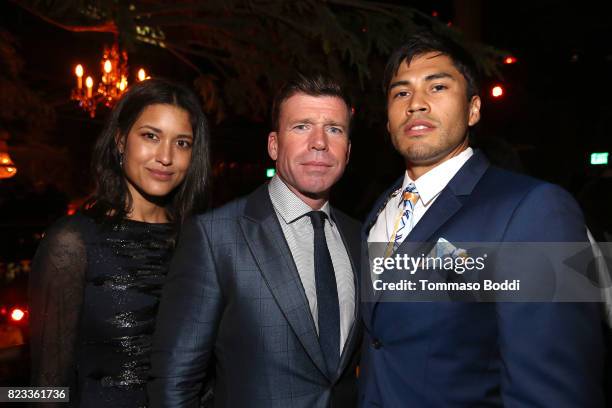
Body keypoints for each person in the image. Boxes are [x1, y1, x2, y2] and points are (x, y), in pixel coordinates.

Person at [359, 31, 605, 407]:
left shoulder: (537, 209)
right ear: (389, 119)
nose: (416, 104)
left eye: (437, 86)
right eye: (401, 93)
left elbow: (555, 391)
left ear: (474, 108)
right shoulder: (380, 210)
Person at [148, 74, 362, 408]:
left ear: (347, 151)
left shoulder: (359, 236)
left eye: (334, 129)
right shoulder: (216, 236)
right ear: (274, 145)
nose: (319, 142)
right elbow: (175, 385)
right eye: (302, 126)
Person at [29, 78, 210, 407]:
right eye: (151, 136)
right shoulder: (72, 243)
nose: (166, 156)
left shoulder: (203, 244)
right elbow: (46, 388)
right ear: (120, 141)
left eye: (182, 143)